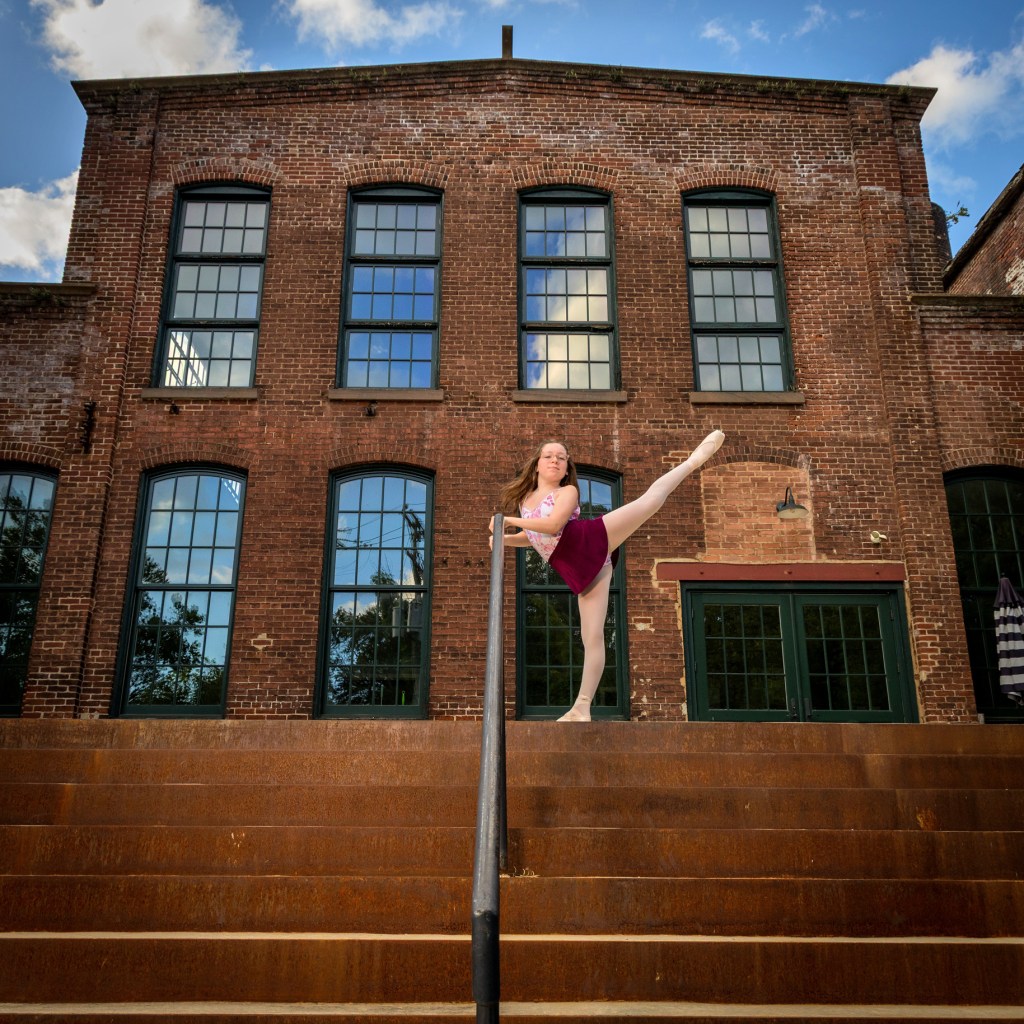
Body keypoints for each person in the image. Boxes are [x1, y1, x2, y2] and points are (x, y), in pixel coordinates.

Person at [490, 430, 725, 721]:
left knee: (649, 503)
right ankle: (581, 708)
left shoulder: (568, 492)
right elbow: (535, 536)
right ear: (537, 464)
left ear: (566, 468)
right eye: (549, 456)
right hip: (583, 569)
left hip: (591, 539)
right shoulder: (526, 499)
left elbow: (552, 526)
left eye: (561, 458)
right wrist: (507, 539)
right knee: (591, 636)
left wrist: (506, 522)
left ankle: (692, 461)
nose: (555, 461)